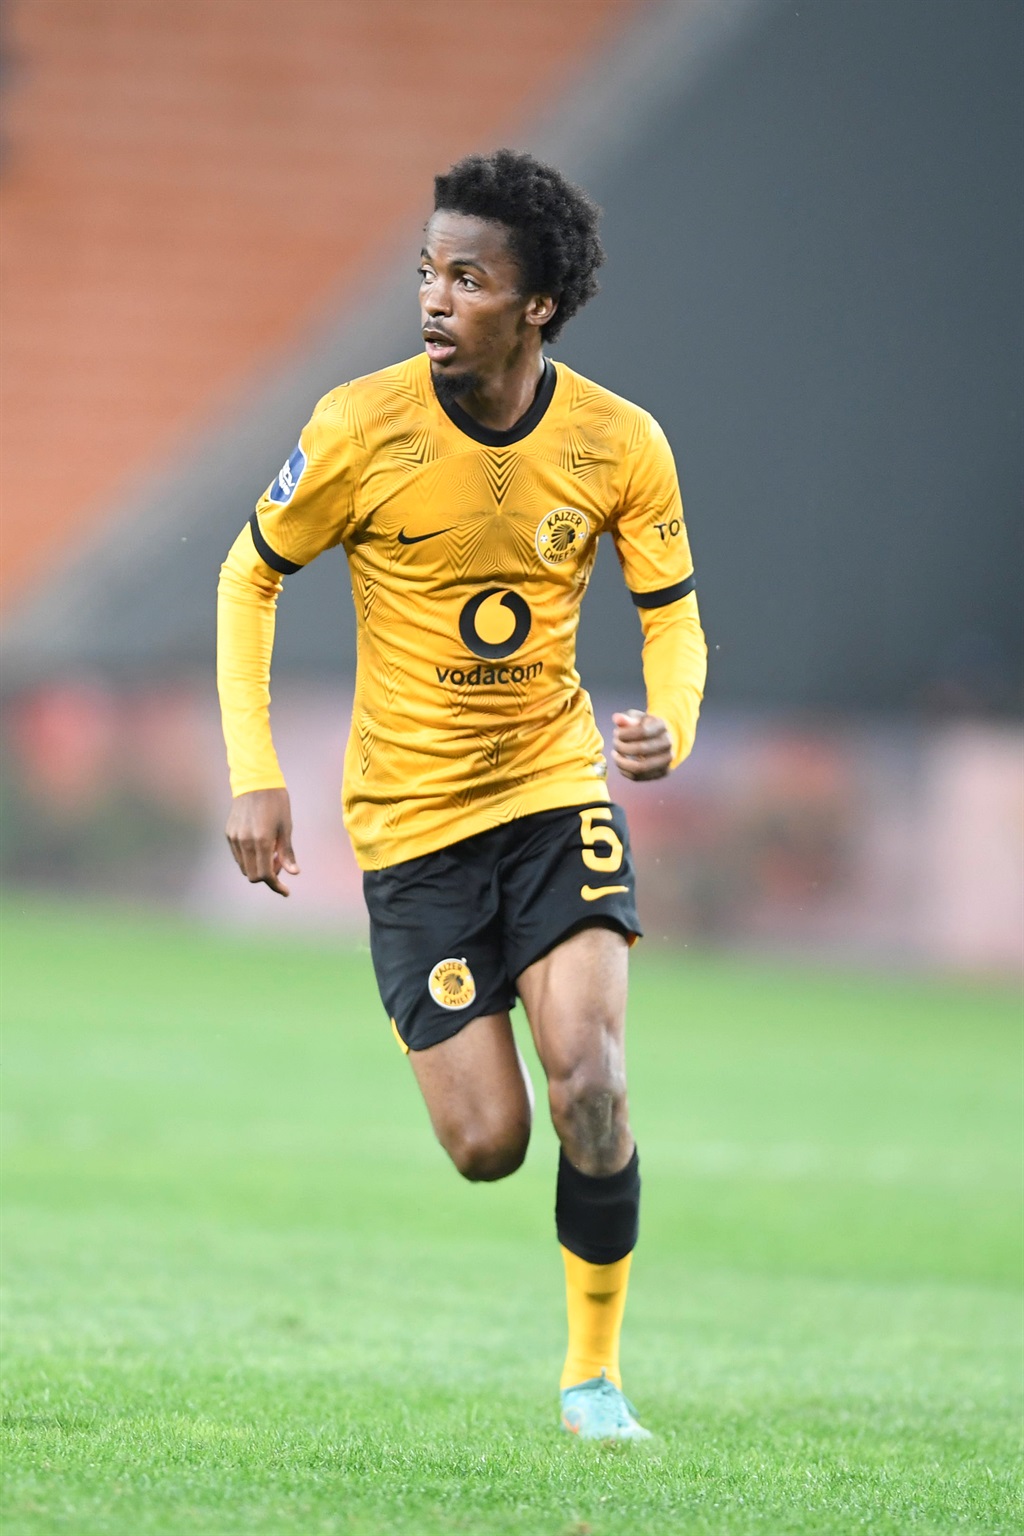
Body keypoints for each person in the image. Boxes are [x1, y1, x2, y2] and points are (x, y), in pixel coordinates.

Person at [217, 149, 706, 1440]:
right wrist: (256, 771)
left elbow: (675, 619)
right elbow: (247, 577)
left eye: (468, 278)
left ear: (535, 305)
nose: (434, 299)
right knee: (491, 1144)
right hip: (415, 831)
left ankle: (594, 1379)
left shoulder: (618, 442)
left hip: (553, 796)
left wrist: (673, 725)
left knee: (589, 1078)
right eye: (427, 272)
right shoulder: (356, 425)